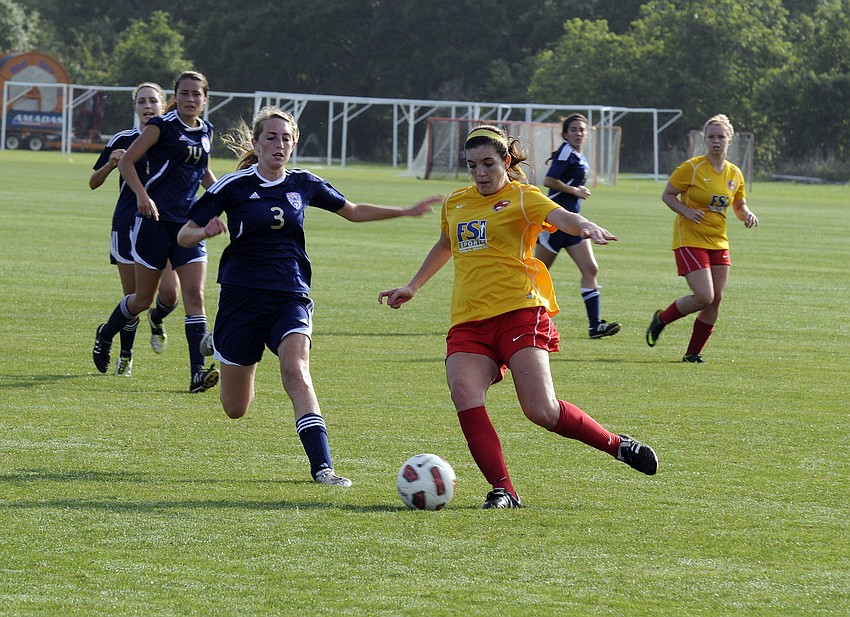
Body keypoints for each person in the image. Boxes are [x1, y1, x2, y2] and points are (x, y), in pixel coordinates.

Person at [379, 125, 658, 509]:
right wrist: (413, 286)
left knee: (541, 411)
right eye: (472, 165)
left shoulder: (524, 198)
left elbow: (561, 217)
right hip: (469, 320)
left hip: (520, 313)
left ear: (506, 162)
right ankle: (503, 490)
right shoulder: (456, 202)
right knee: (463, 392)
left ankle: (617, 445)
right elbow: (446, 243)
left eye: (489, 164)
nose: (480, 173)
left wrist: (586, 225)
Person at [176, 106, 439, 486]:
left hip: (290, 295)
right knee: (235, 409)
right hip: (241, 300)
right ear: (256, 142)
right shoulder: (231, 187)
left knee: (296, 372)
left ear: (294, 144)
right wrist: (204, 232)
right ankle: (219, 340)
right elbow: (184, 234)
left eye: (286, 138)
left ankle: (323, 468)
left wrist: (405, 211)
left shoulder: (304, 182)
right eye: (271, 137)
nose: (279, 145)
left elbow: (352, 210)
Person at [92, 70, 219, 393]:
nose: (191, 99)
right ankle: (107, 332)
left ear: (205, 100)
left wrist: (224, 197)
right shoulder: (161, 126)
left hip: (188, 226)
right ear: (176, 97)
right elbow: (127, 163)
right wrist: (143, 196)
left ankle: (196, 375)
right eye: (185, 93)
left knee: (194, 296)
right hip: (153, 224)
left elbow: (202, 171)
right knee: (142, 299)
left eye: (197, 94)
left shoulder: (207, 131)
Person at [646, 114, 759, 363]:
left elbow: (739, 205)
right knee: (704, 296)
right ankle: (662, 319)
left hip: (718, 240)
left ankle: (692, 354)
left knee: (715, 300)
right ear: (705, 140)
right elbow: (668, 195)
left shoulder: (734, 173)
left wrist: (747, 214)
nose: (716, 141)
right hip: (690, 238)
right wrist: (686, 211)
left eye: (721, 137)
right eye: (711, 137)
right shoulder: (692, 167)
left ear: (730, 140)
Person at [88, 82, 181, 376]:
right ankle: (125, 357)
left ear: (164, 105)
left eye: (153, 101)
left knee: (169, 292)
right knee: (133, 297)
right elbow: (93, 181)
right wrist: (110, 165)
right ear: (135, 108)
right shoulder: (123, 139)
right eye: (141, 102)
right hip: (127, 225)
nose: (147, 106)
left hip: (160, 226)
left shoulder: (172, 140)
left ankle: (156, 319)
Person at [534, 114, 620, 339]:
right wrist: (575, 191)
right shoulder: (565, 152)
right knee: (532, 276)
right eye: (573, 130)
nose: (578, 133)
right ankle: (510, 317)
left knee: (590, 269)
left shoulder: (577, 155)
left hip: (573, 224)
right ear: (565, 134)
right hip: (555, 224)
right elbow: (548, 181)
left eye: (582, 130)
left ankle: (595, 326)